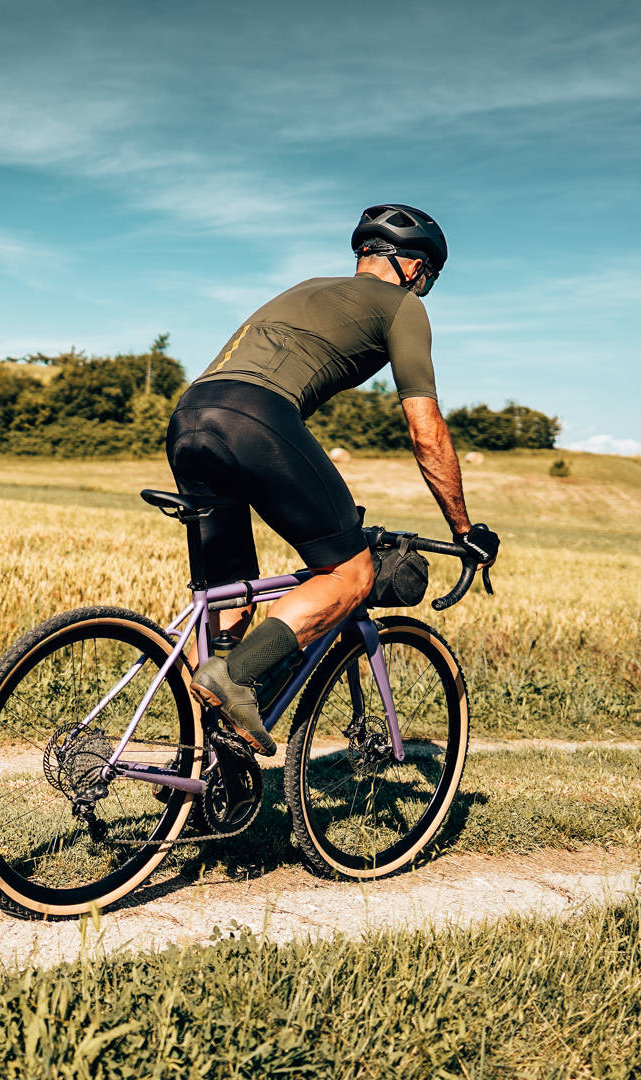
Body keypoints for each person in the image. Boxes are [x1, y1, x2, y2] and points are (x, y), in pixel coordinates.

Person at [167, 203, 499, 756]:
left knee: (231, 594)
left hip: (190, 415)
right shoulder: (401, 307)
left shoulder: (306, 288)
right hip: (257, 416)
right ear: (414, 267)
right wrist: (464, 528)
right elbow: (425, 428)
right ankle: (235, 678)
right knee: (349, 572)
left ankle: (206, 764)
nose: (424, 286)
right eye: (428, 276)